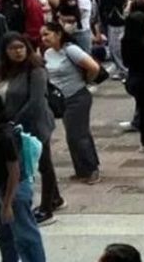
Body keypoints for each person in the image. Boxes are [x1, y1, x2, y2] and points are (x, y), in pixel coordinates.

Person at [0, 32, 61, 226]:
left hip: (34, 124)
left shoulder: (35, 70)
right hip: (9, 125)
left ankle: (47, 208)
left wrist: (13, 122)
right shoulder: (2, 70)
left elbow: (36, 102)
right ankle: (55, 198)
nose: (17, 52)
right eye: (12, 49)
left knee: (44, 163)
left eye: (20, 47)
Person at [0, 92, 51, 262]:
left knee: (24, 231)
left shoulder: (5, 136)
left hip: (13, 188)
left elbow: (14, 171)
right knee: (2, 233)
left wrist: (7, 203)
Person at [41, 21, 101, 185]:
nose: (43, 38)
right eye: (42, 35)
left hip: (78, 96)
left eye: (47, 34)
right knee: (73, 135)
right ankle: (81, 169)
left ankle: (91, 169)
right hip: (62, 100)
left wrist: (87, 81)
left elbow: (93, 67)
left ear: (58, 34)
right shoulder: (47, 54)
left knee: (78, 135)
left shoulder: (71, 50)